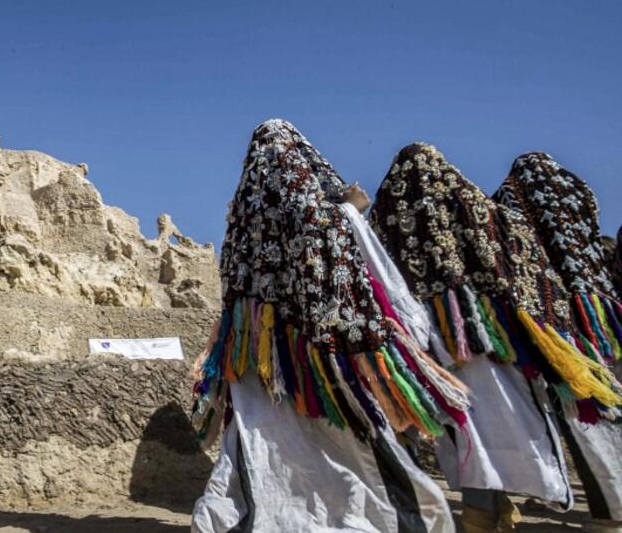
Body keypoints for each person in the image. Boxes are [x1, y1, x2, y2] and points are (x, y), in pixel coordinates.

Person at [190, 120, 470, 532]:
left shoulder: (244, 215)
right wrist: (350, 210)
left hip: (257, 358)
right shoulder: (304, 198)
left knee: (257, 448)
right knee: (343, 459)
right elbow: (318, 232)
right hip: (313, 358)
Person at [371, 144, 622, 533]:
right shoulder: (479, 208)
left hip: (434, 342)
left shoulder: (387, 213)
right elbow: (516, 262)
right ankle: (498, 511)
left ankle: (486, 514)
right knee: (504, 424)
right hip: (508, 333)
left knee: (470, 432)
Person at [494, 152, 622, 533]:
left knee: (582, 412)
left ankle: (611, 509)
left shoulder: (508, 199)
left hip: (553, 322)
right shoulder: (577, 193)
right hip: (599, 311)